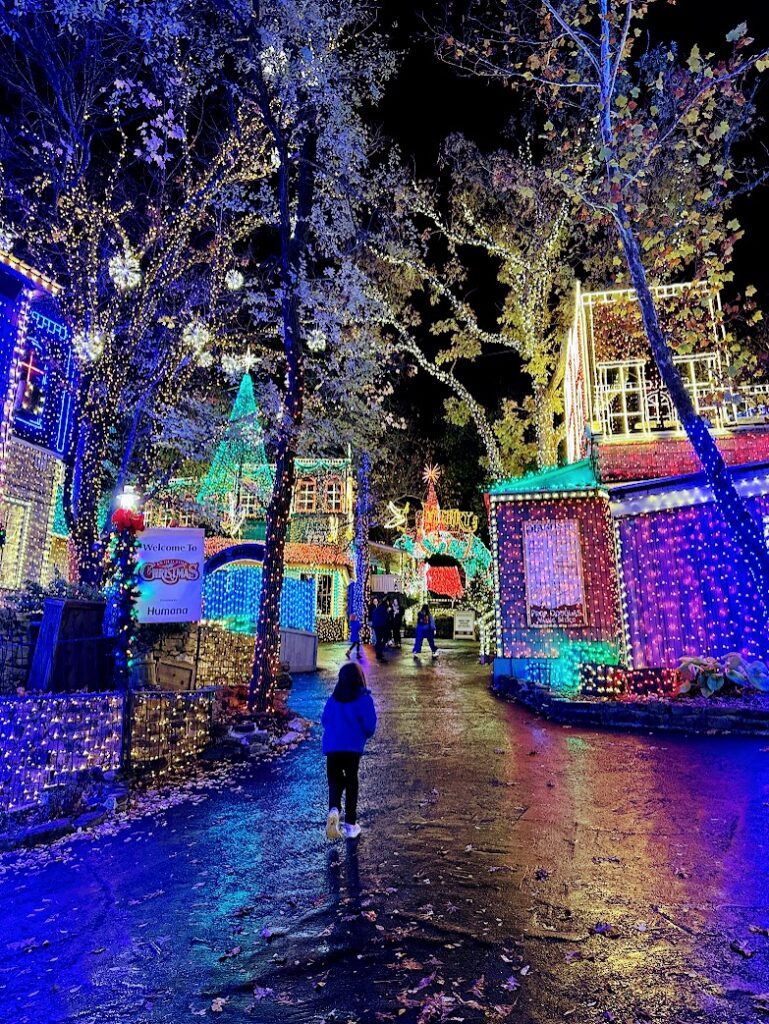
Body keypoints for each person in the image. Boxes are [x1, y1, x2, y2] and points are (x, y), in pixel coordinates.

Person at [322, 662, 377, 841]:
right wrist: (359, 732)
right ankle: (351, 825)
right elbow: (369, 727)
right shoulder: (364, 699)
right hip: (352, 748)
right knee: (351, 781)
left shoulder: (334, 698)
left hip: (332, 747)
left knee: (335, 780)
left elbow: (324, 720)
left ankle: (334, 809)